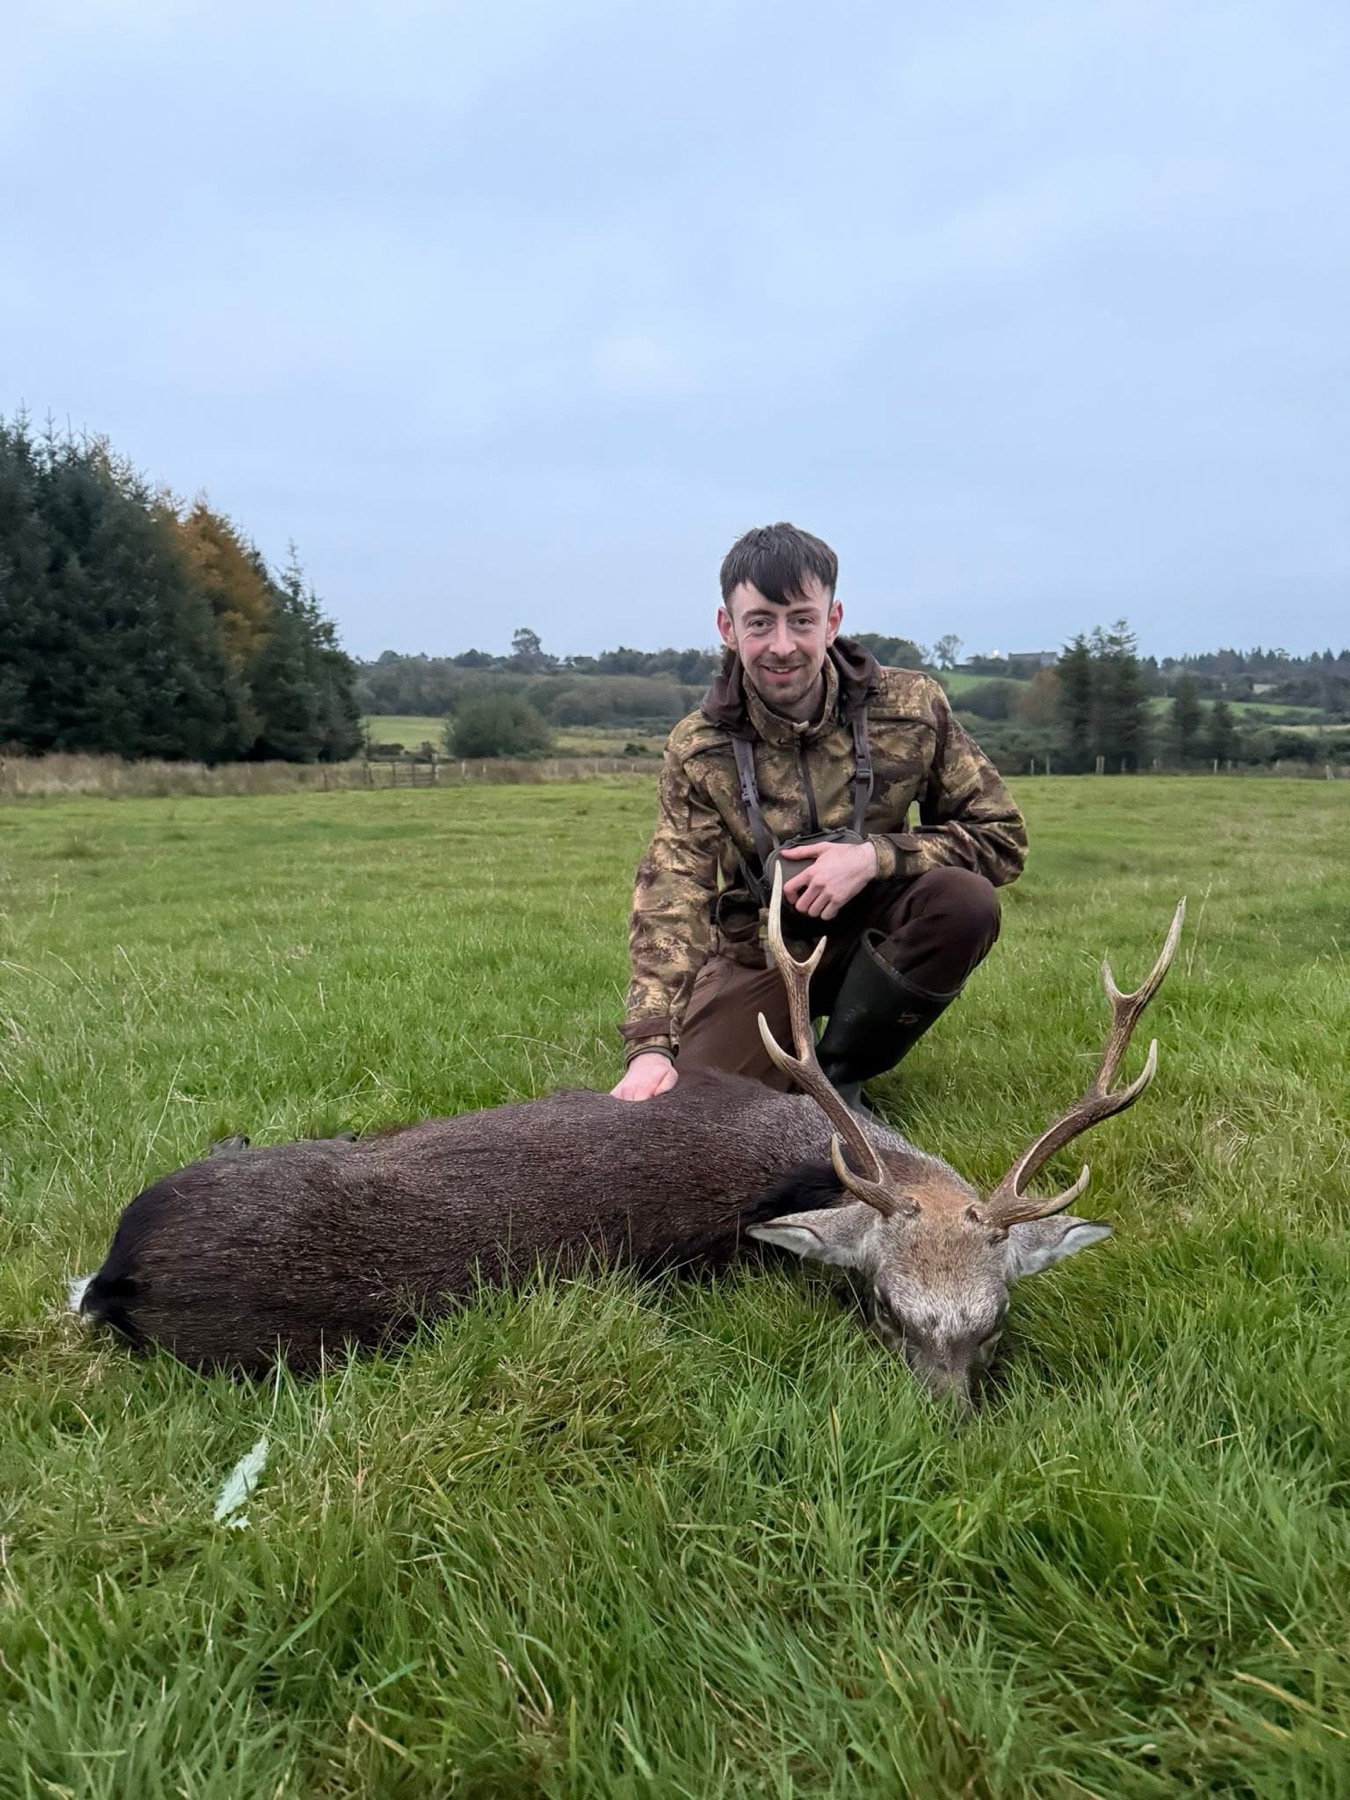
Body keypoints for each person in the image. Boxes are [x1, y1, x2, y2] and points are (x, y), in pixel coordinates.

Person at [611, 522, 1027, 1108]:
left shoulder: (911, 708)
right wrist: (651, 1045)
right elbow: (674, 890)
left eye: (801, 620)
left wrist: (874, 857)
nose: (783, 645)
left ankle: (838, 1080)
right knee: (695, 1111)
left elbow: (1001, 839)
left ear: (832, 621)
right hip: (759, 953)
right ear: (728, 628)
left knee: (963, 901)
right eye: (760, 622)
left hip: (874, 933)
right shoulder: (698, 747)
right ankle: (773, 1055)